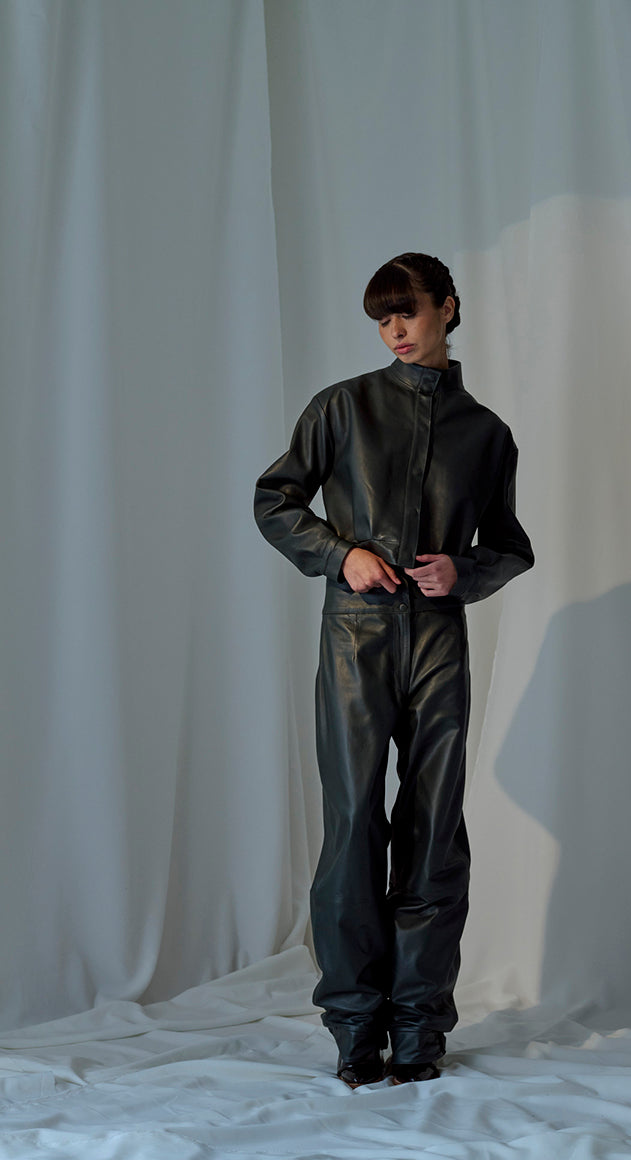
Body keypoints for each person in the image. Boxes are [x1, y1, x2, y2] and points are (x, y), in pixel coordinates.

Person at [254, 252, 533, 1087]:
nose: (396, 331)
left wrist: (465, 570)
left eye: (407, 311)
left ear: (448, 306)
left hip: (439, 639)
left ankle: (418, 1029)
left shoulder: (487, 434)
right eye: (383, 318)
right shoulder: (343, 407)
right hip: (357, 636)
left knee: (433, 829)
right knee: (353, 827)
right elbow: (276, 499)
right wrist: (341, 555)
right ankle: (354, 1026)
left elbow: (510, 545)